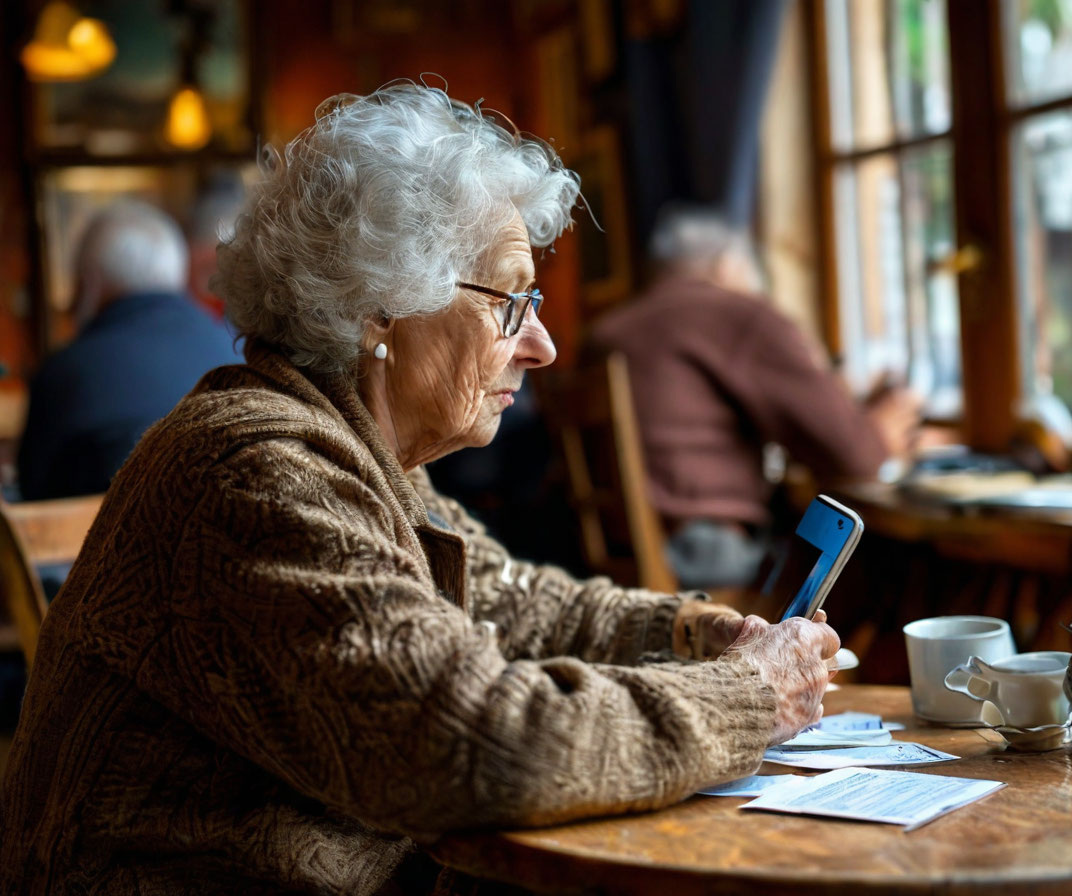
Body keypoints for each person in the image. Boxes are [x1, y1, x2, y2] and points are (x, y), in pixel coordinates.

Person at [0, 84, 839, 895]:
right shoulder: (252, 469)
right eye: (510, 300)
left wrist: (697, 631)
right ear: (378, 309)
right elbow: (473, 743)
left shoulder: (360, 456)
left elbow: (513, 604)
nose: (541, 344)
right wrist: (747, 694)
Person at [588, 206, 922, 589]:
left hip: (612, 555)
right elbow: (857, 457)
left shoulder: (604, 333)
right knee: (877, 567)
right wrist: (886, 424)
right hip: (706, 555)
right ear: (729, 266)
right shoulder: (737, 315)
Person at [17, 199, 241, 500]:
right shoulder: (232, 350)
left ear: (91, 283)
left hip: (95, 544)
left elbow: (34, 496)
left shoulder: (63, 373)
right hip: (222, 538)